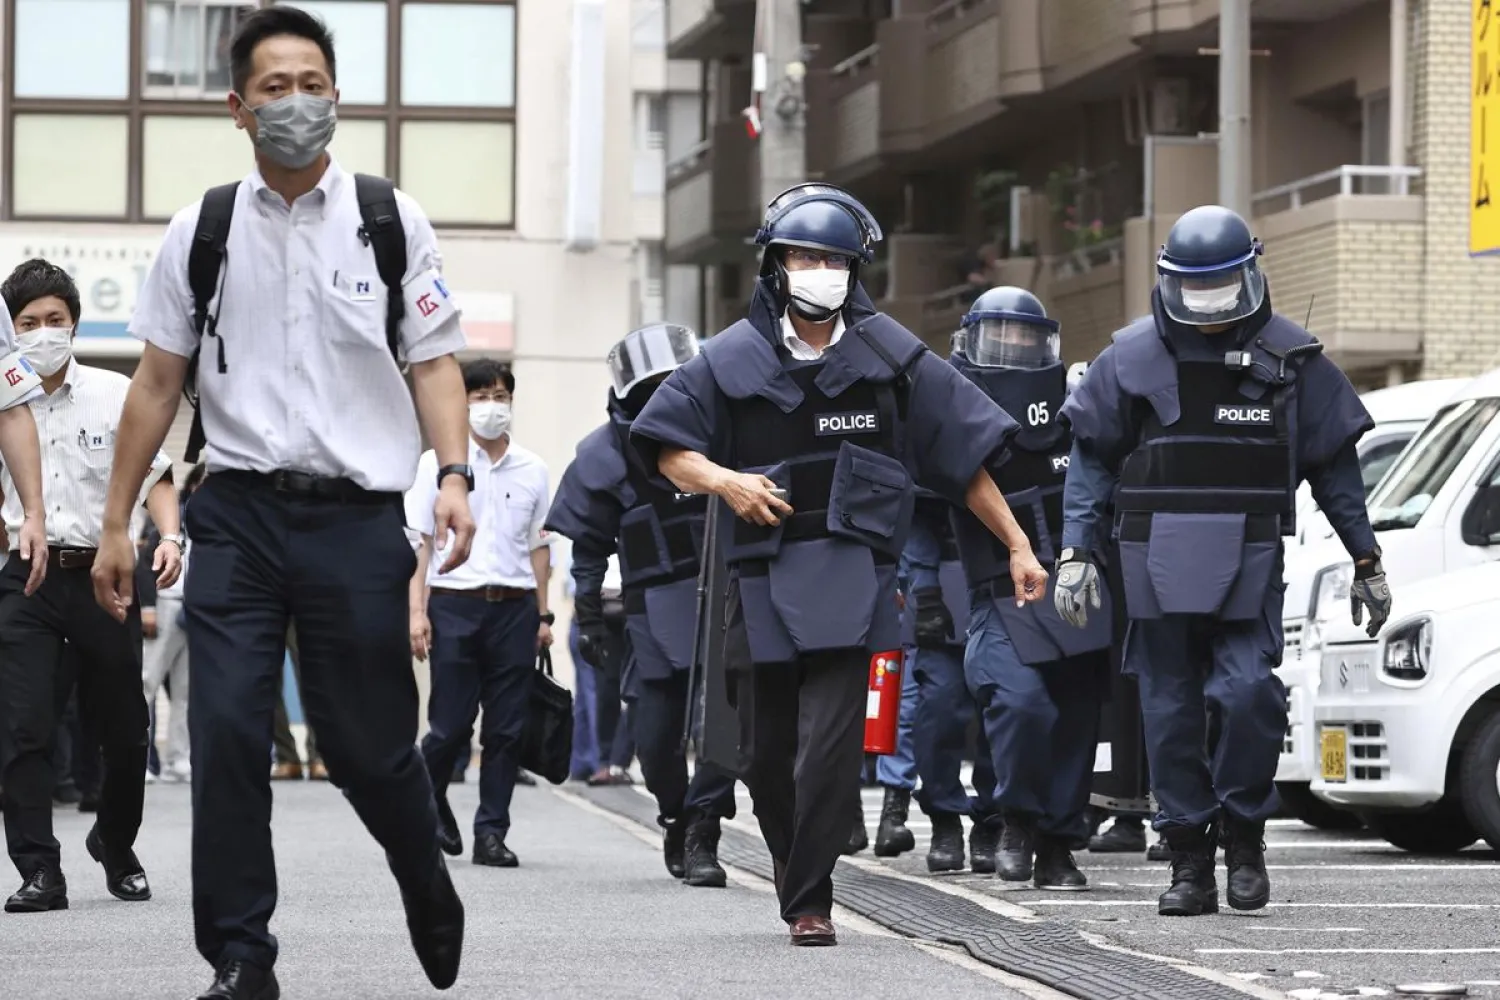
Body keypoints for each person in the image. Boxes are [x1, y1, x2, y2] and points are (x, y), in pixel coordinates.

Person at [89, 9, 476, 997]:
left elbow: (434, 365)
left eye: (312, 84)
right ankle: (241, 952)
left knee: (365, 746)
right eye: (274, 87)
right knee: (224, 728)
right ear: (238, 107)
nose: (295, 103)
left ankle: (423, 874)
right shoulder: (203, 230)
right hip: (239, 513)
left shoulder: (390, 218)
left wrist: (455, 478)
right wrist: (115, 522)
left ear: (336, 99)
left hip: (355, 519)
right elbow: (156, 384)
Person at [629, 183, 1050, 947]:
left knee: (826, 748)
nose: (817, 269)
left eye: (833, 258)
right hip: (756, 582)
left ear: (856, 270)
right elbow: (666, 450)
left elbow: (963, 463)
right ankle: (797, 871)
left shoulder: (892, 358)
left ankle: (812, 898)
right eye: (802, 256)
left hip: (852, 581)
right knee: (762, 757)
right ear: (776, 265)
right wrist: (725, 480)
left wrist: (1019, 543)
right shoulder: (728, 358)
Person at [1055, 205, 1391, 917]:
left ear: (1250, 275)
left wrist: (1367, 559)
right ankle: (1188, 862)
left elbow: (1335, 469)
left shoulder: (1293, 361)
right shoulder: (1129, 360)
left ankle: (1243, 836)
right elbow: (1088, 465)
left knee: (1247, 697)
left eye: (1220, 291)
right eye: (1193, 291)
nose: (1207, 308)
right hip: (1152, 566)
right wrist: (1076, 553)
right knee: (1169, 716)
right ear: (1170, 283)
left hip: (1249, 563)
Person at [0, 258, 182, 915]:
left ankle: (116, 842)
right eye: (28, 323)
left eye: (55, 320)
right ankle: (39, 870)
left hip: (106, 576)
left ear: (74, 325)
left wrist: (168, 537)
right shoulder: (2, 396)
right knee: (23, 727)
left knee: (125, 727)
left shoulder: (114, 394)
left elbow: (156, 476)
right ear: (11, 330)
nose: (43, 332)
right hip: (27, 580)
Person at [545, 324, 738, 887]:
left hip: (726, 598)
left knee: (724, 725)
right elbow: (587, 548)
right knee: (654, 737)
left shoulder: (725, 435)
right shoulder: (604, 455)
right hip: (653, 610)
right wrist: (586, 619)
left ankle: (706, 828)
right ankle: (676, 814)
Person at [948, 286, 1111, 890]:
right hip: (1000, 592)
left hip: (1075, 588)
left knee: (1075, 717)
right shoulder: (954, 412)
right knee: (1021, 703)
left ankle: (1059, 844)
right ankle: (1015, 819)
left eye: (1027, 337)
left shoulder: (1078, 405)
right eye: (1001, 336)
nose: (1015, 348)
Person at [406, 359, 553, 869]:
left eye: (500, 395)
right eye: (481, 395)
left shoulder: (534, 469)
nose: (492, 405)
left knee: (507, 729)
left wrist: (543, 616)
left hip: (513, 608)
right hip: (454, 605)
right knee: (448, 726)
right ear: (462, 402)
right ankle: (429, 803)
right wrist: (416, 611)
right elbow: (420, 544)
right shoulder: (436, 467)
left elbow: (540, 549)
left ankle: (492, 832)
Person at [904, 486, 1002, 873]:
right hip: (943, 584)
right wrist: (925, 592)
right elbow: (916, 517)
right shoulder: (937, 432)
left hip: (1002, 577)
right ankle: (944, 818)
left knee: (1001, 710)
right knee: (940, 708)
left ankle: (991, 820)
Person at [142, 461, 207, 785]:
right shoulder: (171, 522)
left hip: (194, 612)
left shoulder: (215, 526)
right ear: (191, 487)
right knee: (147, 683)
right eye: (201, 484)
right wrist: (148, 608)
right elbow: (144, 561)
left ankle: (179, 759)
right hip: (165, 606)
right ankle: (141, 760)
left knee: (185, 692)